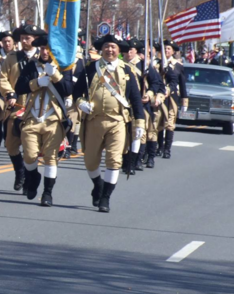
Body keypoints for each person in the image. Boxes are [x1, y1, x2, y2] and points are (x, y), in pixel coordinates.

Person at [74, 34, 145, 213]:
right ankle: (98, 185)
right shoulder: (91, 68)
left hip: (118, 121)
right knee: (90, 162)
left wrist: (140, 123)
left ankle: (105, 197)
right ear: (102, 49)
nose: (110, 50)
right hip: (94, 121)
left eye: (113, 47)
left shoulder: (127, 70)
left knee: (114, 160)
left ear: (119, 50)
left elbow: (135, 98)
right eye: (106, 46)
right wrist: (80, 103)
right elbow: (77, 93)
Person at [14, 36, 73, 206]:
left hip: (53, 118)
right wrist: (36, 82)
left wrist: (55, 75)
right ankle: (33, 177)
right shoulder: (32, 65)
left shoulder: (63, 67)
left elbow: (68, 89)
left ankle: (48, 193)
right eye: (42, 49)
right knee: (30, 155)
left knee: (50, 157)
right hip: (32, 117)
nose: (45, 52)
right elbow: (19, 87)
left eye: (48, 49)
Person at [0, 24, 46, 194]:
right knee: (11, 145)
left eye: (28, 38)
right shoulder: (12, 58)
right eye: (22, 38)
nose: (24, 41)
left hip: (35, 109)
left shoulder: (43, 58)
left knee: (29, 147)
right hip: (15, 107)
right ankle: (19, 171)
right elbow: (3, 78)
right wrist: (9, 93)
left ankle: (29, 176)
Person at [121, 39, 165, 173]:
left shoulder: (143, 66)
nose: (128, 53)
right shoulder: (119, 65)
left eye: (131, 50)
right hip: (121, 104)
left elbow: (156, 83)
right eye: (126, 51)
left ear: (135, 51)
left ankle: (134, 162)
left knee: (138, 134)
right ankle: (125, 161)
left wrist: (150, 94)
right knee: (123, 135)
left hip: (138, 104)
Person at [157, 39, 187, 159]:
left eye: (168, 49)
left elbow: (182, 83)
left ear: (173, 51)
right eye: (164, 49)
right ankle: (159, 147)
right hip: (159, 97)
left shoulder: (178, 66)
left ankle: (167, 149)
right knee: (159, 122)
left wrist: (184, 100)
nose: (166, 50)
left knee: (170, 124)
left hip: (172, 98)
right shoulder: (156, 64)